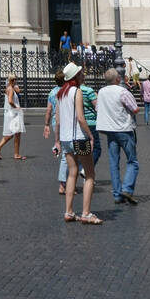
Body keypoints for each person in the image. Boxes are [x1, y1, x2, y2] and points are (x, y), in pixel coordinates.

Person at [54, 63, 100, 223]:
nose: (83, 76)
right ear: (75, 77)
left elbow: (58, 119)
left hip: (66, 140)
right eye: (81, 74)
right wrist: (90, 135)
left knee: (72, 173)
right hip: (79, 138)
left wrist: (57, 140)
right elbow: (81, 118)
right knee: (89, 175)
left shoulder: (60, 94)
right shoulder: (77, 92)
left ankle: (69, 211)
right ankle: (86, 213)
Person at [96, 68, 139, 205]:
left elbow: (98, 108)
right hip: (124, 130)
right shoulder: (122, 92)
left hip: (109, 131)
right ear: (117, 79)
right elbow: (135, 109)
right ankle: (126, 189)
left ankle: (117, 195)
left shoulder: (101, 92)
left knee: (114, 164)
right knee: (133, 161)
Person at [44, 68, 73, 195]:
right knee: (68, 154)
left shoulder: (52, 92)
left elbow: (49, 110)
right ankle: (64, 184)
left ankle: (56, 146)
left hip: (56, 123)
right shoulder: (66, 91)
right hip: (66, 123)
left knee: (64, 151)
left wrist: (46, 124)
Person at [0, 75, 27, 161]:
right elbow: (10, 101)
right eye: (13, 80)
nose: (15, 81)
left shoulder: (9, 88)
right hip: (13, 113)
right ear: (9, 80)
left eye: (15, 79)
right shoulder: (11, 89)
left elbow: (17, 92)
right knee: (16, 133)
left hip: (10, 113)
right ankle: (15, 154)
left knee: (11, 134)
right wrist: (16, 107)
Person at [80, 75, 102, 173]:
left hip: (79, 124)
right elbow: (98, 107)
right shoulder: (88, 91)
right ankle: (86, 170)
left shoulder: (74, 90)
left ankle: (84, 171)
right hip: (91, 122)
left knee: (83, 150)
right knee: (96, 149)